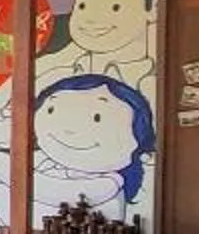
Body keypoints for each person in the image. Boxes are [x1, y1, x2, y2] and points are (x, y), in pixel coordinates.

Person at [32, 72, 155, 216]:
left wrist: (8, 172)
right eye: (51, 110)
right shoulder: (40, 160)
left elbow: (60, 192)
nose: (68, 129)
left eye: (98, 118)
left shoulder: (110, 182)